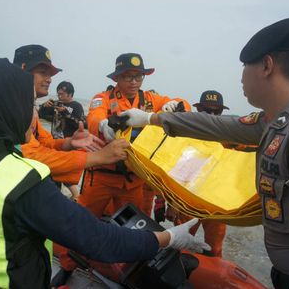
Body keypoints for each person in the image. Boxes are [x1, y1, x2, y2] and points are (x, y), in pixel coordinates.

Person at [0, 58, 209, 288]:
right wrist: (170, 237)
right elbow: (100, 241)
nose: (33, 115)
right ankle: (66, 267)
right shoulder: (19, 181)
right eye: (29, 105)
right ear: (5, 108)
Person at [121, 18, 289, 288]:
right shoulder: (278, 123)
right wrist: (150, 119)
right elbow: (218, 125)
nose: (240, 77)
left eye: (244, 66)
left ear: (266, 65)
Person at [55, 53, 190, 284]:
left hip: (133, 181)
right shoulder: (103, 98)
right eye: (127, 77)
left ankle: (128, 273)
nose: (133, 82)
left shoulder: (151, 100)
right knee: (81, 222)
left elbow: (183, 104)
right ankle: (66, 266)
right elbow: (95, 117)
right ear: (117, 78)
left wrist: (173, 106)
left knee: (136, 230)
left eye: (138, 76)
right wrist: (104, 124)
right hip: (102, 178)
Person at [13, 44, 126, 186]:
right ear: (23, 70)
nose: (49, 79)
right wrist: (97, 157)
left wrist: (69, 142)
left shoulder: (31, 105)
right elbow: (32, 154)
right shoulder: (14, 106)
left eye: (50, 75)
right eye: (43, 72)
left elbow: (45, 141)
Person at [167, 90, 229, 257]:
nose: (212, 114)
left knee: (215, 250)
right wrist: (169, 202)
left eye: (217, 111)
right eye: (207, 110)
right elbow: (171, 167)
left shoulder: (230, 135)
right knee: (180, 245)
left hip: (216, 202)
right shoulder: (185, 132)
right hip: (188, 201)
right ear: (198, 110)